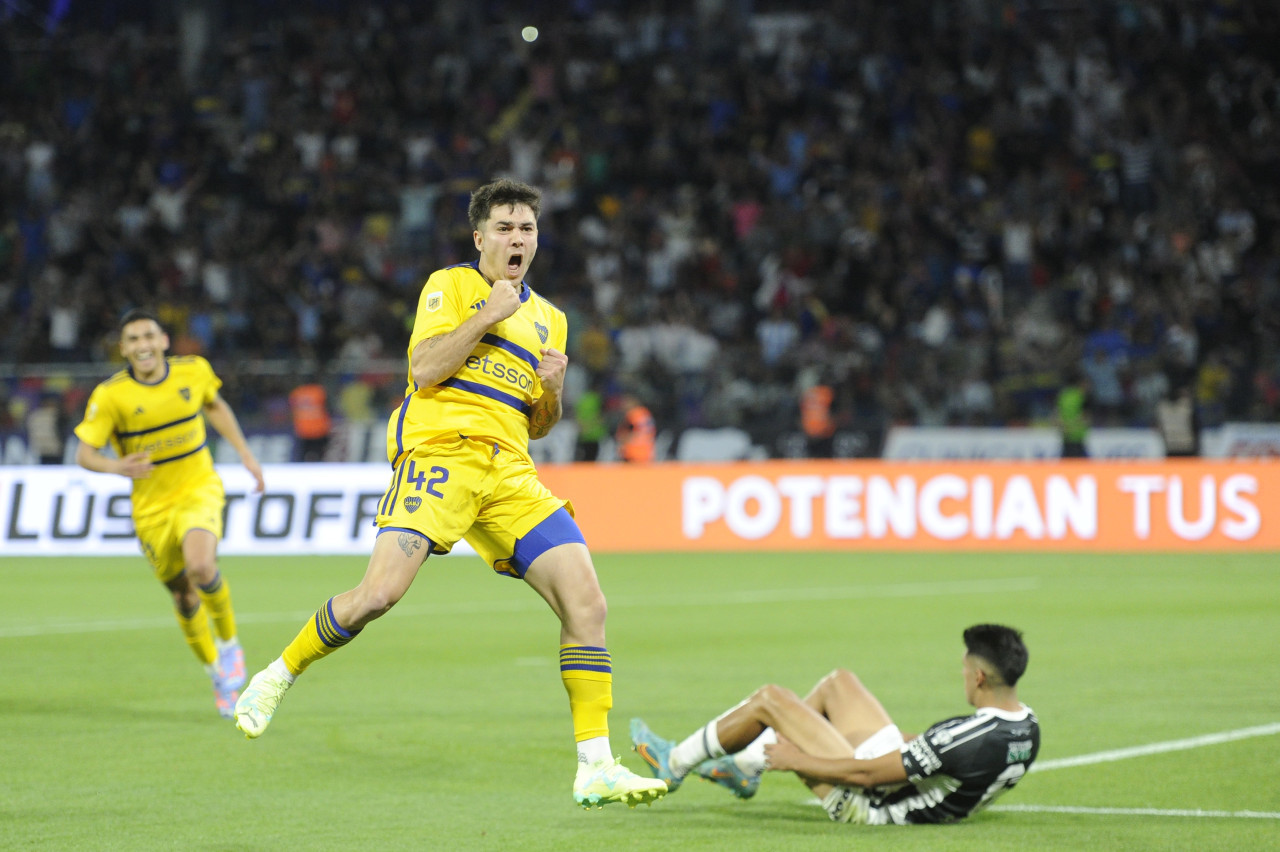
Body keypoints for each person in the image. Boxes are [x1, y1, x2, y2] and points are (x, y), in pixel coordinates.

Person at [234, 178, 667, 810]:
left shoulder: (553, 319)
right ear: (480, 237)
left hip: (510, 475)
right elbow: (425, 369)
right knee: (377, 597)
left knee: (588, 606)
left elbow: (539, 422)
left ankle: (594, 765)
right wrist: (490, 313)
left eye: (527, 229)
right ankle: (277, 674)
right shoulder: (451, 285)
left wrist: (552, 388)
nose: (517, 239)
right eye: (505, 228)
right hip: (440, 458)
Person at [631, 623, 1039, 825]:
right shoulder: (1026, 726)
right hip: (904, 779)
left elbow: (866, 776)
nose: (963, 675)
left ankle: (676, 765)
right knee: (839, 683)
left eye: (966, 669)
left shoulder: (963, 741)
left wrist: (796, 760)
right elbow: (943, 751)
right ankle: (745, 769)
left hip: (875, 807)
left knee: (772, 700)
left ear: (980, 677)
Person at [73, 309, 266, 718]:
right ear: (123, 349)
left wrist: (246, 454)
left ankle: (231, 646)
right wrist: (116, 466)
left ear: (163, 340)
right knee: (182, 594)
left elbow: (214, 406)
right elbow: (85, 453)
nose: (142, 345)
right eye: (132, 340)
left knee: (201, 566)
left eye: (148, 336)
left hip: (198, 488)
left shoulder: (193, 372)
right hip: (151, 508)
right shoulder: (111, 396)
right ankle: (217, 673)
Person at [288, 375, 332, 462]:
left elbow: (292, 409)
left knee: (303, 454)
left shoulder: (296, 392)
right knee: (320, 453)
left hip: (303, 429)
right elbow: (328, 407)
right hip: (319, 428)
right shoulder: (319, 391)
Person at [615, 394, 655, 463]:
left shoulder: (632, 415)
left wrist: (621, 441)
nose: (623, 405)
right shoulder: (645, 413)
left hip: (632, 453)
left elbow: (625, 434)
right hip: (646, 453)